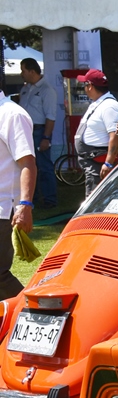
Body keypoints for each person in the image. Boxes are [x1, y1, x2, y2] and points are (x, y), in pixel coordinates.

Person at [0, 87, 36, 298]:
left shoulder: (13, 114)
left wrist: (25, 205)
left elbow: (28, 163)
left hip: (4, 208)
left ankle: (28, 316)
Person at [73, 69, 118, 195]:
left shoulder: (109, 106)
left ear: (90, 86)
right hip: (93, 164)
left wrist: (108, 163)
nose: (84, 87)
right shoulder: (98, 104)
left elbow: (116, 135)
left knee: (97, 202)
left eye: (84, 84)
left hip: (99, 164)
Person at [18, 58, 57, 208]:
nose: (22, 74)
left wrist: (46, 137)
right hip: (25, 131)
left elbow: (51, 116)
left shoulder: (47, 90)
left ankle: (50, 200)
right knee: (27, 164)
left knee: (44, 165)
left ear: (32, 72)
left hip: (39, 131)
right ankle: (31, 198)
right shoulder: (26, 88)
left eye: (23, 71)